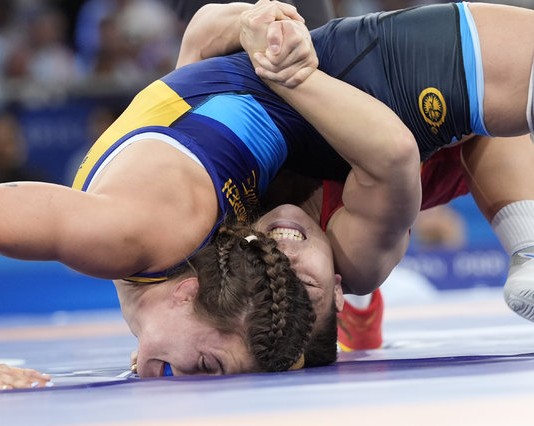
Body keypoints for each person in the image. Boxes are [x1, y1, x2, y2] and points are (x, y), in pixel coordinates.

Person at [0, 2, 420, 392]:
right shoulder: (142, 236)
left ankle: (348, 310)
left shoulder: (156, 248)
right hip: (303, 87)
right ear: (188, 294)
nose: (183, 378)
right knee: (355, 263)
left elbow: (195, 49)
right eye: (204, 366)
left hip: (266, 104)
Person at [175, 0, 534, 355]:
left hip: (324, 116)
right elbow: (394, 151)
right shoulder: (355, 258)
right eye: (305, 283)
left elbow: (199, 41)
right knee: (488, 109)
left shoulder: (208, 212)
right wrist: (291, 75)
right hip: (423, 147)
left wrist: (262, 22)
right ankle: (529, 246)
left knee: (258, 44)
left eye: (268, 276)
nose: (285, 257)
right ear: (336, 289)